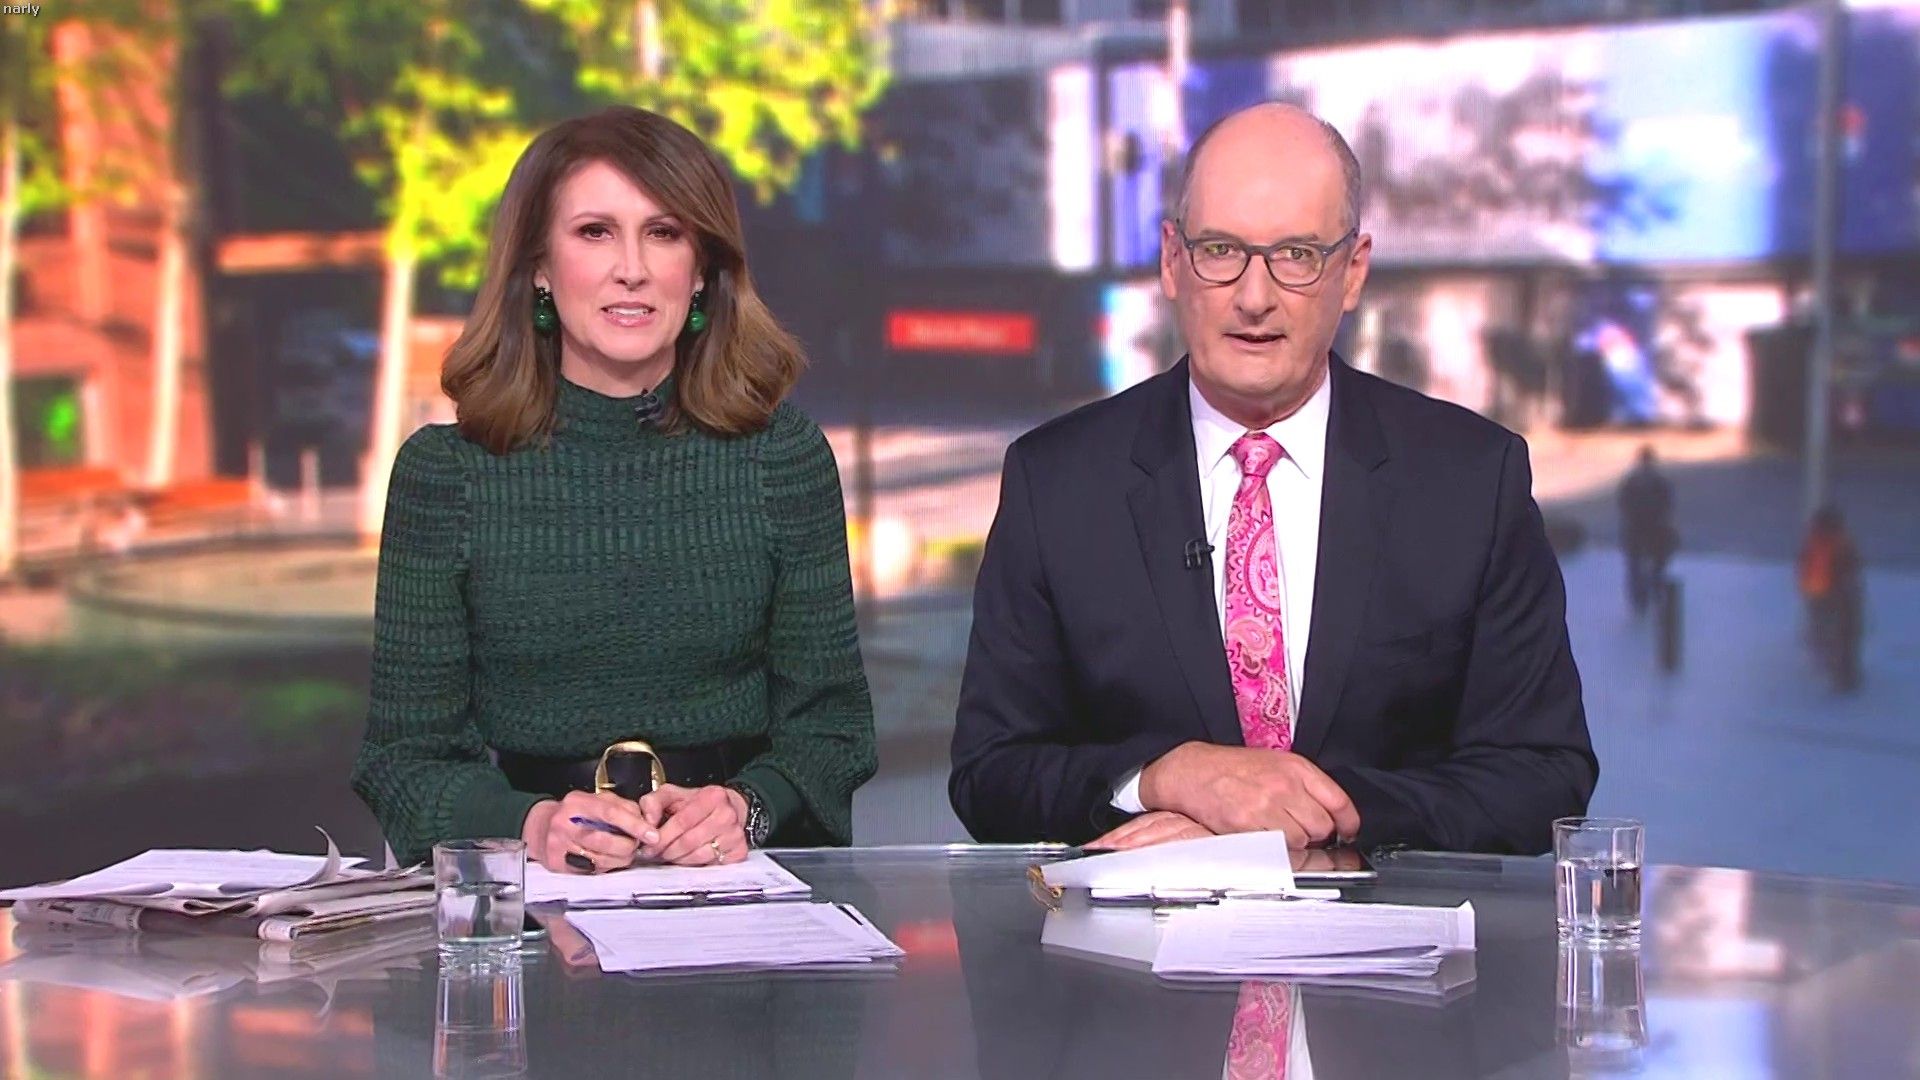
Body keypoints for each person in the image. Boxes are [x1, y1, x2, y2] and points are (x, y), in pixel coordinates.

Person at [949, 103, 1595, 855]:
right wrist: (1162, 779)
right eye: (1220, 250)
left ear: (1353, 272)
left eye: (1296, 255)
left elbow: (1542, 774)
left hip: (1384, 926)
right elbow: (990, 774)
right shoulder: (1057, 483)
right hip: (1143, 930)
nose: (1254, 298)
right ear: (1171, 261)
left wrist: (1308, 813)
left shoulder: (1470, 480)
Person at [352, 106, 876, 872]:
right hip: (533, 888)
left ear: (702, 269)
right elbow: (403, 760)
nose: (631, 268)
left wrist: (747, 806)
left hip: (734, 885)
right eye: (595, 232)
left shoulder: (781, 457)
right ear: (538, 265)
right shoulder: (447, 474)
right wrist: (531, 825)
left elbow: (832, 732)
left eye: (663, 233)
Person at [1797, 505, 1863, 693]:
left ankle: (1839, 674)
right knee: (1840, 636)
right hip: (1834, 596)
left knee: (1832, 635)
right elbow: (1852, 567)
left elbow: (1804, 566)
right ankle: (1842, 676)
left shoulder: (1817, 541)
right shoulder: (1840, 542)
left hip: (1821, 595)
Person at [1617, 444, 1675, 615]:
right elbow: (1667, 504)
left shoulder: (1637, 481)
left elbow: (1624, 503)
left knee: (1646, 565)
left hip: (1645, 528)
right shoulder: (1652, 482)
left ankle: (1646, 597)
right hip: (1645, 528)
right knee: (1644, 565)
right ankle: (1646, 597)